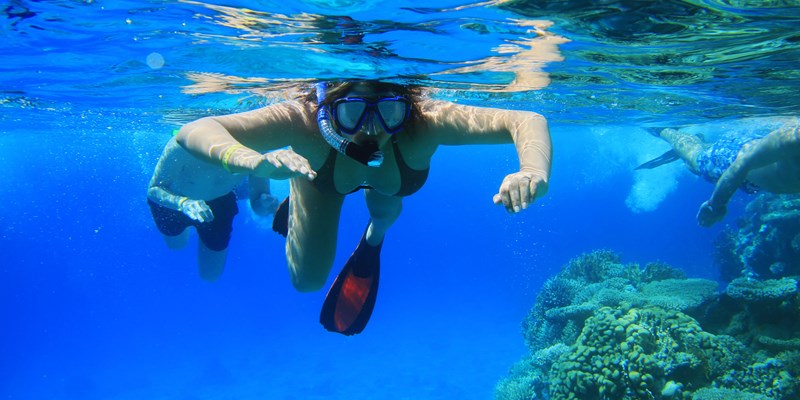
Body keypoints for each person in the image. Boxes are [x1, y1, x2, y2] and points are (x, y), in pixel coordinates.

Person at [175, 80, 552, 334]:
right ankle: (299, 176)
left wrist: (532, 169)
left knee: (384, 209)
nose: (371, 130)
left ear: (406, 108)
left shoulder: (425, 122)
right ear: (326, 112)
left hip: (390, 184)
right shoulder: (303, 120)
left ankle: (375, 236)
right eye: (351, 113)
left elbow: (526, 120)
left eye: (389, 113)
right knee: (306, 281)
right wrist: (246, 159)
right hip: (320, 178)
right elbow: (194, 131)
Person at [147, 137, 308, 281]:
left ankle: (198, 229)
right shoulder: (182, 143)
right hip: (174, 203)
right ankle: (191, 228)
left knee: (210, 275)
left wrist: (266, 205)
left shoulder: (256, 148)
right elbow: (154, 190)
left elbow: (258, 204)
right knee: (176, 246)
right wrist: (183, 203)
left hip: (219, 204)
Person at [636, 117, 800, 227]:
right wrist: (715, 204)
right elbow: (739, 165)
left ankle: (705, 144)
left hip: (757, 182)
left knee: (699, 162)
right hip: (733, 158)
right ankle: (664, 130)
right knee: (695, 161)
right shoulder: (794, 138)